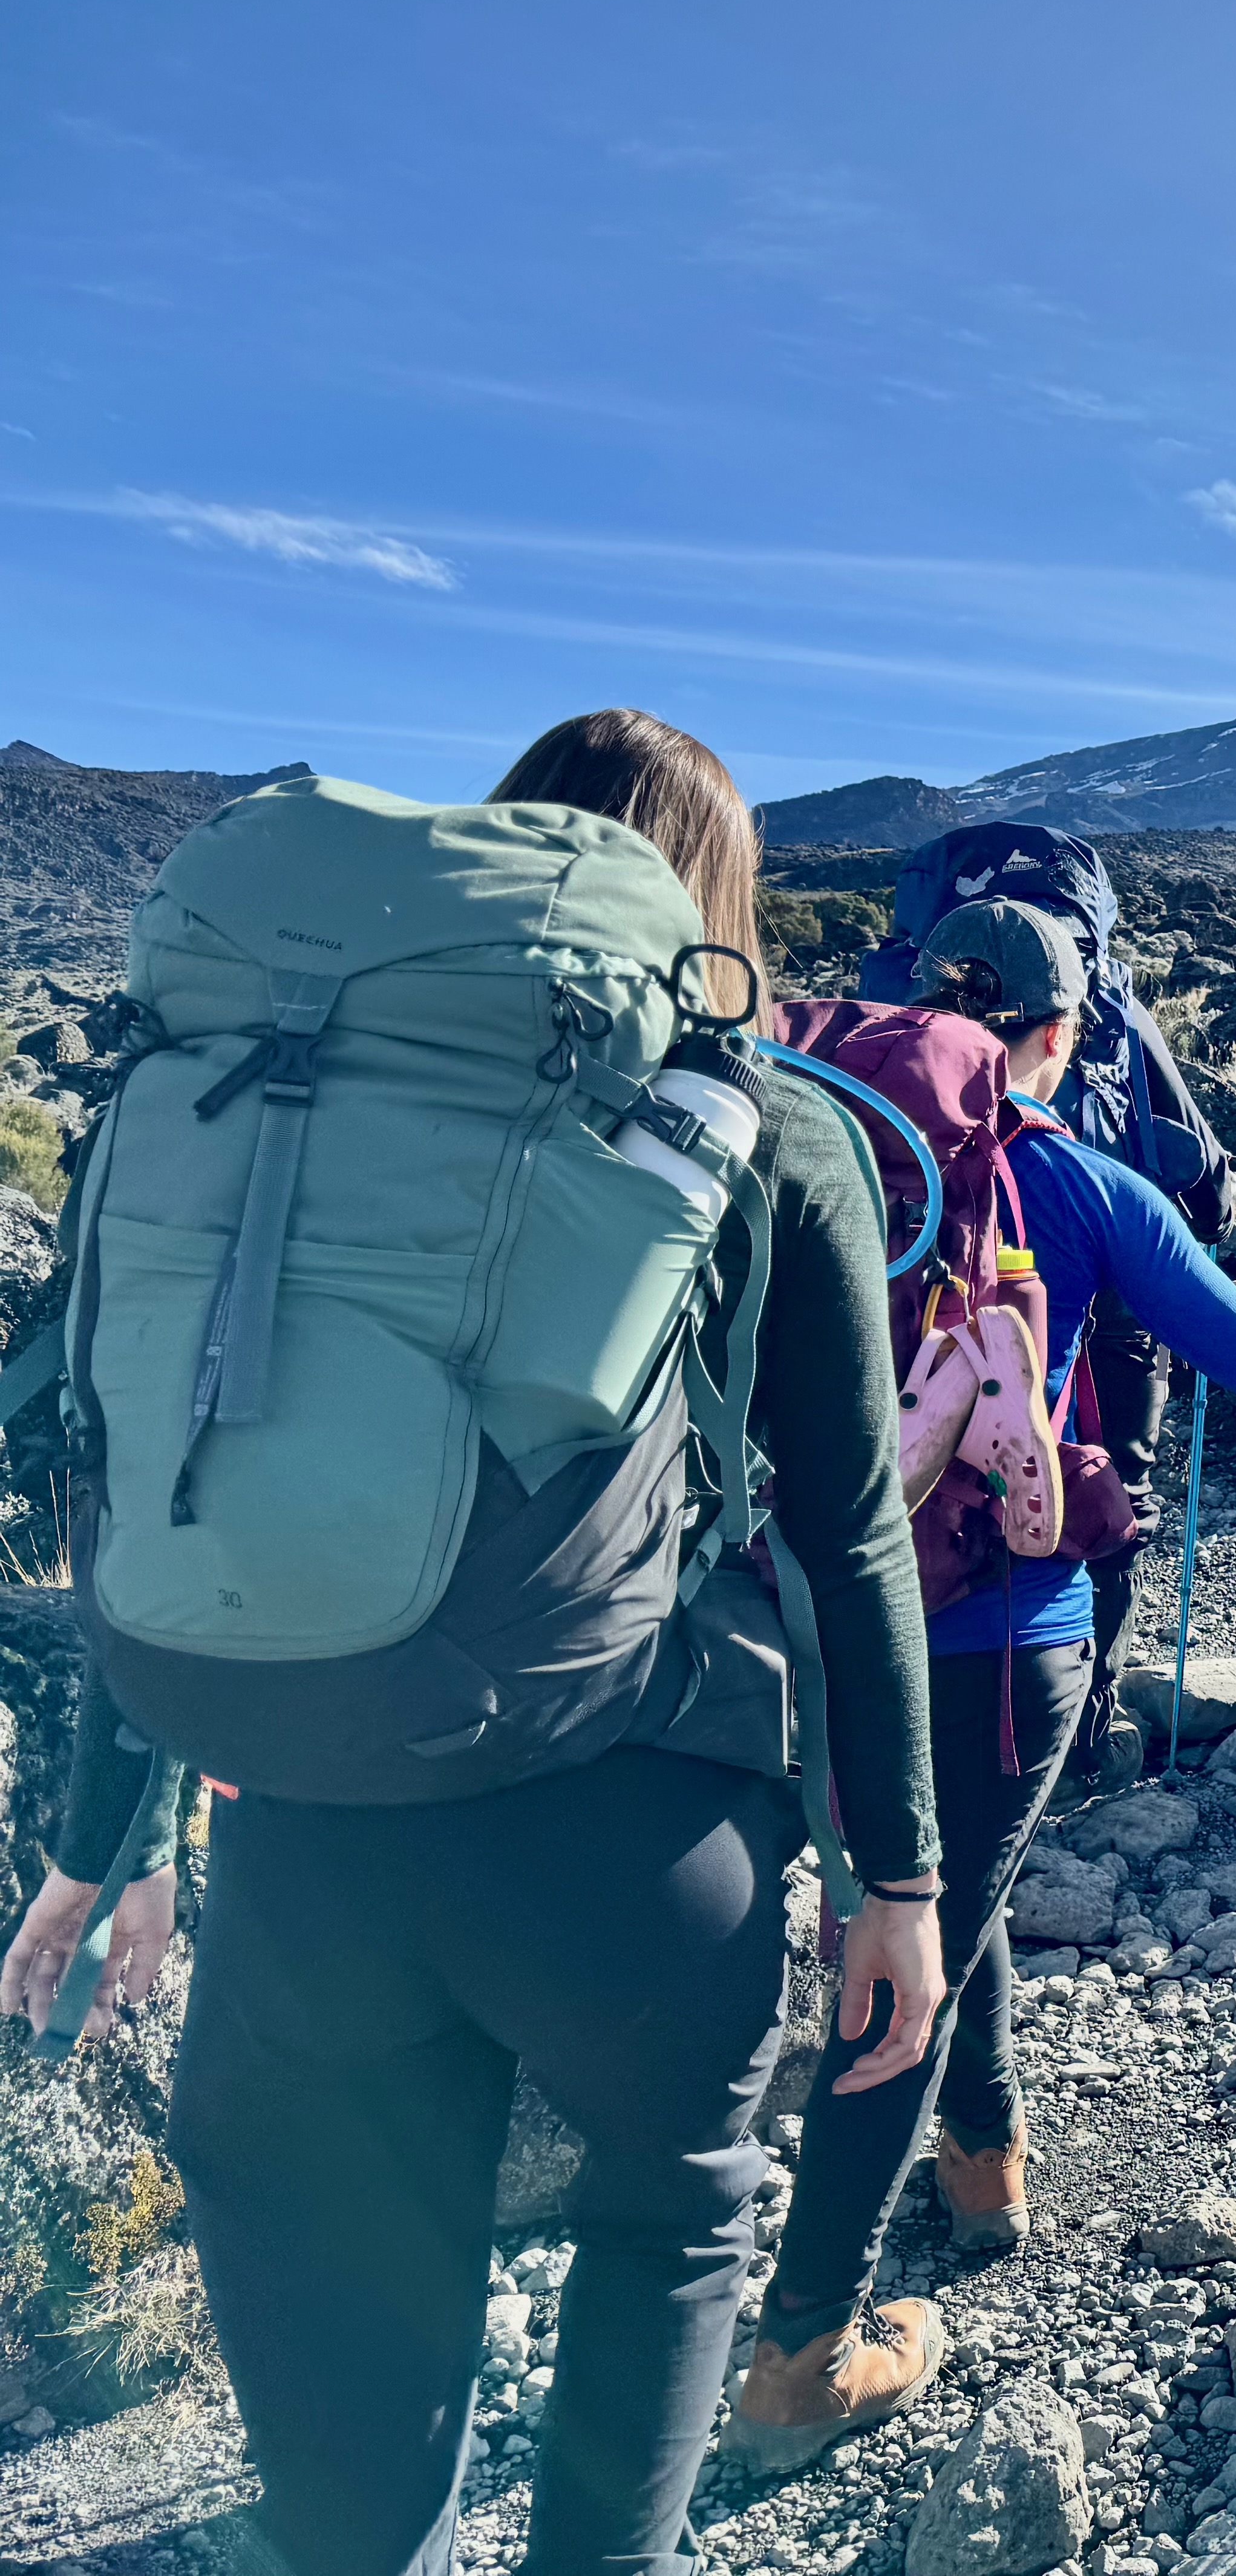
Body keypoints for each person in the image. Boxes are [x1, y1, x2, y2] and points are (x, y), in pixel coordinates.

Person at [1, 709, 950, 2575]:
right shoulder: (764, 1121)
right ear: (713, 904)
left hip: (307, 1822)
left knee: (346, 2336)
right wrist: (896, 1874)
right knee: (668, 2218)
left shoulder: (280, 1085)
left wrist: (95, 1850)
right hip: (635, 1834)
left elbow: (158, 1488)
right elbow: (849, 1532)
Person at [727, 895, 1236, 2467]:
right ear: (1066, 1035)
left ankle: (984, 2169)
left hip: (818, 1625)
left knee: (935, 1885)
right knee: (913, 1947)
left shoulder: (812, 1142)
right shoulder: (1082, 1180)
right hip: (1010, 1640)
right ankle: (803, 2347)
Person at [860, 823, 1234, 1797]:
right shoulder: (1109, 1010)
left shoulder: (882, 1016)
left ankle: (894, 1719)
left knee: (900, 1478)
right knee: (1108, 1493)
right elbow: (1203, 1175)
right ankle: (1076, 1718)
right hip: (1096, 1303)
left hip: (905, 1288)